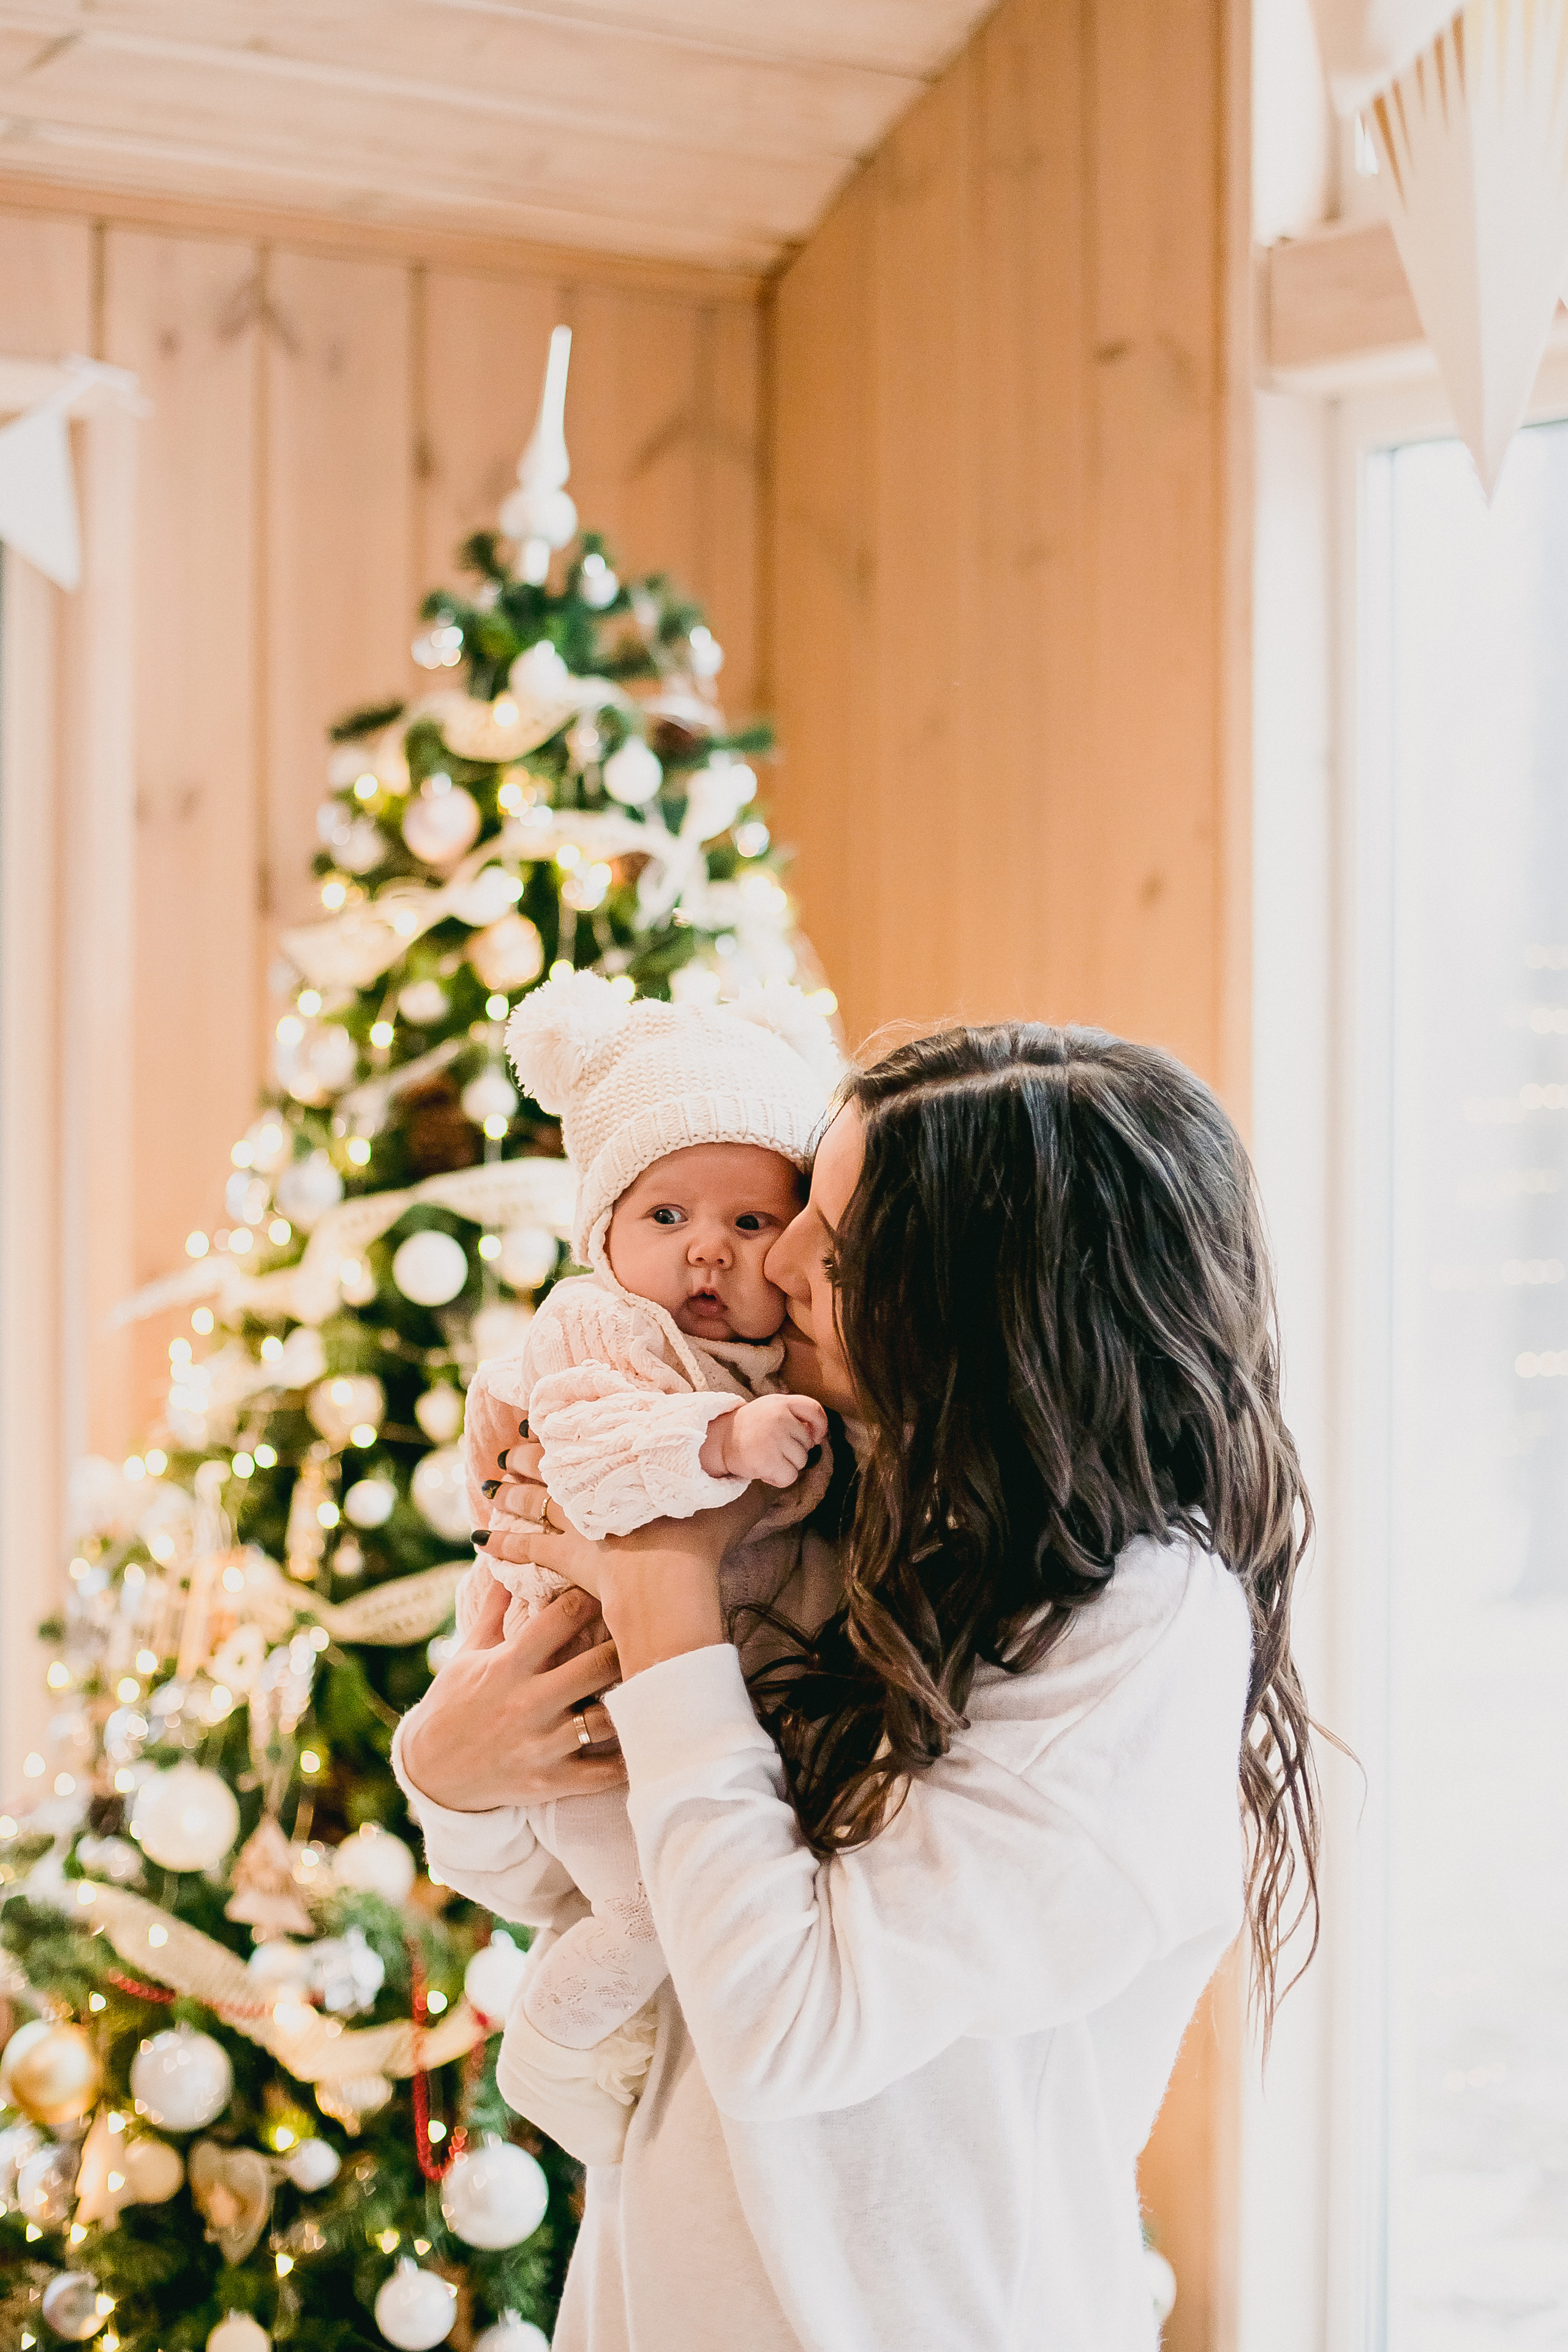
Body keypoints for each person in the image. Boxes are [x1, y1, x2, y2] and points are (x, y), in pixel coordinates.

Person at [394, 1023, 1319, 2352]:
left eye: (832, 1241)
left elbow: (783, 2025)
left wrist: (661, 1592)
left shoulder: (1135, 1625)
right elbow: (579, 1881)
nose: (770, 1262)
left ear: (985, 1295)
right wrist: (456, 1773)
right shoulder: (833, 1490)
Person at [456, 970, 838, 2161]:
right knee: (643, 1911)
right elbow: (592, 1450)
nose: (707, 1257)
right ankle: (549, 2047)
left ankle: (601, 2043)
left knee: (659, 1909)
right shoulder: (598, 1328)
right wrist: (720, 1443)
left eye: (748, 1222)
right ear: (603, 1229)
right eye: (665, 1218)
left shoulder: (773, 1359)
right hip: (572, 1685)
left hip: (649, 1713)